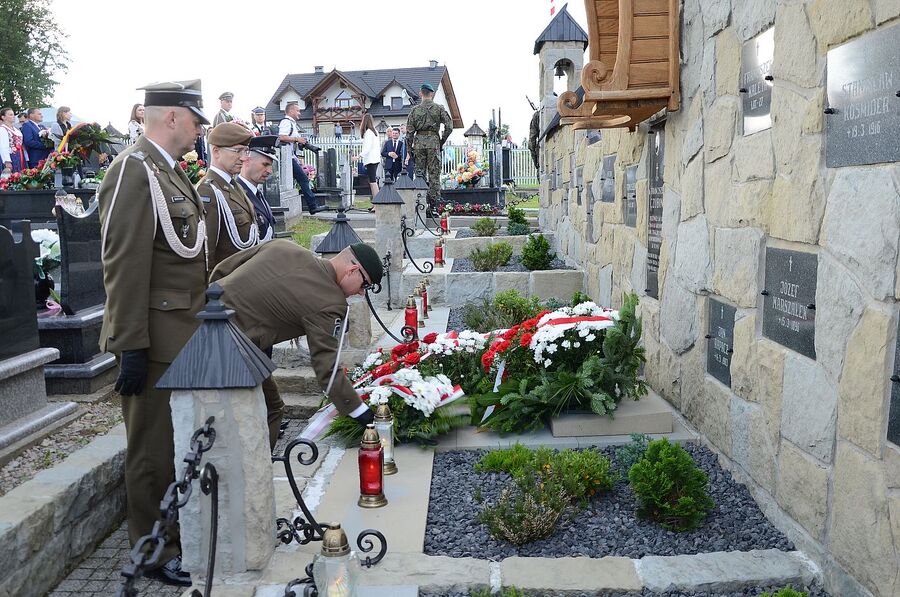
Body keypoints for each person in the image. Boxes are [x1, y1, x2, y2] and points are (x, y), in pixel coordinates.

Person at [96, 78, 211, 588]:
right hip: (155, 339)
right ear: (171, 117)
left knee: (176, 445)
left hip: (182, 332)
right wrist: (130, 345)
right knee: (152, 450)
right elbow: (123, 262)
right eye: (194, 120)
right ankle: (153, 549)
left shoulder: (169, 171)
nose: (198, 130)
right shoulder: (134, 170)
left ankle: (176, 534)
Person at [210, 240, 384, 447]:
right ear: (352, 270)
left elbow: (222, 270)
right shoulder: (329, 303)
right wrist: (361, 413)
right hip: (232, 349)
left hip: (200, 320)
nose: (361, 293)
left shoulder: (284, 246)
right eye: (365, 285)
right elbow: (327, 372)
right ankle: (258, 474)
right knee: (271, 408)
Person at [198, 122, 258, 270]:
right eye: (237, 151)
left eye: (246, 151)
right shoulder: (208, 191)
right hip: (226, 284)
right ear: (216, 152)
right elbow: (207, 253)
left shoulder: (233, 185)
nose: (244, 158)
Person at [406, 83, 452, 212]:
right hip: (433, 143)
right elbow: (449, 127)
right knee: (434, 174)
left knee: (419, 174)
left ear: (421, 93)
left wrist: (410, 149)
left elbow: (409, 133)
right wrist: (441, 141)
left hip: (419, 143)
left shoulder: (414, 110)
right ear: (432, 94)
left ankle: (420, 204)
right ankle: (434, 207)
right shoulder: (439, 108)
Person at [278, 101, 320, 214]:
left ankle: (313, 206)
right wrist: (297, 139)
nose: (299, 113)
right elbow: (281, 137)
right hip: (287, 158)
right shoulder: (286, 122)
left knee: (302, 179)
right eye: (298, 110)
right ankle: (313, 206)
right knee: (303, 179)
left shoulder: (292, 123)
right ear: (291, 111)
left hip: (291, 157)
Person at [236, 135, 277, 242]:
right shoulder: (235, 194)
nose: (269, 171)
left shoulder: (256, 194)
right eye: (265, 164)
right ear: (247, 161)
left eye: (270, 166)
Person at [359, 113, 380, 196]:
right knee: (372, 181)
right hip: (375, 159)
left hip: (371, 160)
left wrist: (359, 156)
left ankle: (377, 202)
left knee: (372, 182)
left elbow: (367, 148)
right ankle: (376, 202)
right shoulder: (375, 132)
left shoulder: (368, 132)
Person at [0, 108, 26, 174]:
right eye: (10, 115)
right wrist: (7, 161)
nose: (13, 116)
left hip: (19, 155)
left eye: (13, 114)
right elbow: (3, 146)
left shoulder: (16, 130)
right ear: (3, 117)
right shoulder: (3, 129)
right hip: (10, 156)